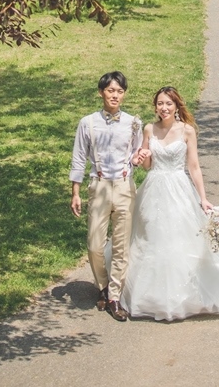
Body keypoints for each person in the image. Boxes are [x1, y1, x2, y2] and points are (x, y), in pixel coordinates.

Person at [121, 86, 219, 321]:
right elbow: (146, 165)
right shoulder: (149, 129)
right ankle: (151, 295)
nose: (163, 108)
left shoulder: (186, 131)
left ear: (176, 106)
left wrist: (203, 198)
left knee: (178, 237)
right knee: (151, 236)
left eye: (168, 103)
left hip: (178, 187)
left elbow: (194, 166)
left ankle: (183, 295)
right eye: (160, 104)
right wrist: (140, 158)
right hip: (154, 187)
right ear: (155, 106)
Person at [69, 71, 145, 321]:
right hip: (99, 185)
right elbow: (79, 157)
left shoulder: (134, 123)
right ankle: (102, 284)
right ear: (101, 92)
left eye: (120, 91)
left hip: (124, 186)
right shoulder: (87, 122)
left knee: (122, 245)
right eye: (111, 90)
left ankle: (114, 296)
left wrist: (138, 158)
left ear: (124, 94)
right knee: (94, 244)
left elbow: (135, 154)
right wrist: (76, 192)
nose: (115, 95)